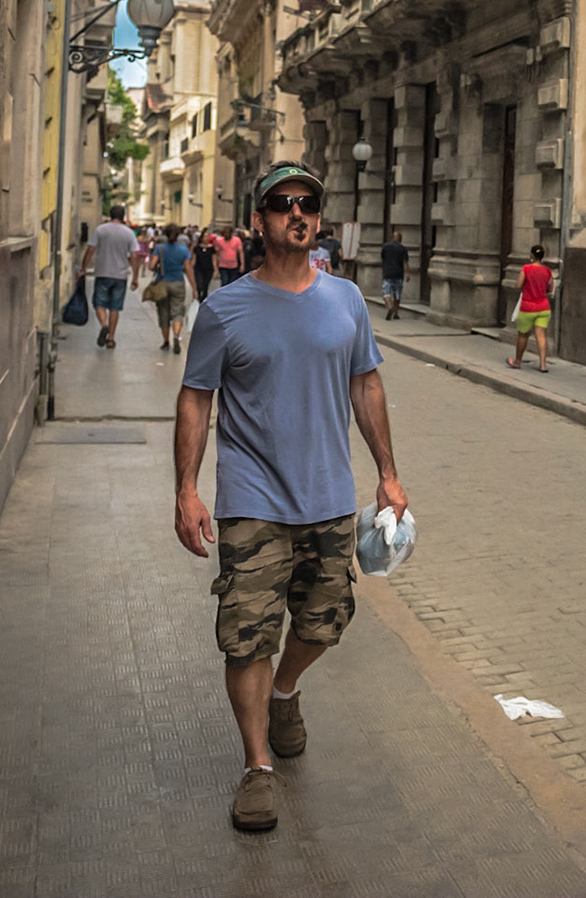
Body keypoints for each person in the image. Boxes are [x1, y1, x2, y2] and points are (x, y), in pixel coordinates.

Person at [174, 160, 408, 833]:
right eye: (282, 203)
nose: (297, 213)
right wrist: (187, 488)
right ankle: (256, 766)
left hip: (329, 495)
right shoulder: (224, 309)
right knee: (246, 635)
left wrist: (388, 472)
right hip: (251, 499)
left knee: (324, 621)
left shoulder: (347, 301)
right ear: (260, 220)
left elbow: (367, 386)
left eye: (308, 203)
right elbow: (196, 399)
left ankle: (286, 691)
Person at [80, 204, 141, 349]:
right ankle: (111, 339)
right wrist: (135, 277)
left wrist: (83, 268)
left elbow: (90, 250)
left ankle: (104, 324)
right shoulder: (128, 233)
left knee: (99, 303)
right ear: (123, 216)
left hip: (102, 272)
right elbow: (134, 255)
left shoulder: (101, 230)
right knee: (115, 307)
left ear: (110, 215)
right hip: (120, 275)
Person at [507, 243, 552, 373]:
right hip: (543, 307)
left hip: (528, 307)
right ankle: (543, 364)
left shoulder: (526, 269)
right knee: (541, 335)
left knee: (523, 335)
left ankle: (517, 361)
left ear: (532, 255)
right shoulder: (547, 271)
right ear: (543, 256)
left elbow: (519, 284)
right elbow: (550, 288)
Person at [152, 224, 192, 353]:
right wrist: (194, 287)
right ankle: (176, 335)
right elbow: (188, 269)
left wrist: (158, 266)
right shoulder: (183, 250)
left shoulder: (159, 248)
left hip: (162, 283)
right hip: (178, 283)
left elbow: (151, 265)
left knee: (163, 311)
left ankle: (166, 341)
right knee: (177, 311)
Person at [379, 229, 409, 320]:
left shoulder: (386, 247)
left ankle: (389, 307)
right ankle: (396, 312)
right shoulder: (403, 249)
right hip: (399, 274)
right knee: (397, 294)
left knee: (386, 293)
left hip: (388, 273)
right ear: (400, 239)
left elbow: (383, 258)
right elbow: (405, 262)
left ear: (392, 238)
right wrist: (407, 273)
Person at [193, 227, 216, 302]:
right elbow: (194, 258)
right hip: (198, 268)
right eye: (205, 237)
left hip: (208, 269)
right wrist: (191, 268)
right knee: (199, 284)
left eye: (207, 237)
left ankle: (203, 299)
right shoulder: (197, 248)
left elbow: (214, 259)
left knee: (205, 285)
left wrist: (216, 269)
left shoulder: (212, 248)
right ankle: (199, 296)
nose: (206, 238)